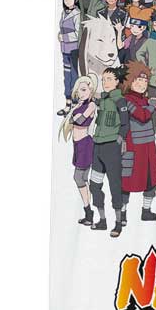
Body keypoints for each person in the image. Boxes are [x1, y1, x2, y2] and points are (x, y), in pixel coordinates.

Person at [120, 61, 156, 228]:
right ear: (130, 80)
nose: (142, 84)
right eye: (138, 80)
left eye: (145, 81)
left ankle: (146, 210)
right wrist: (152, 106)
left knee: (152, 180)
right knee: (126, 181)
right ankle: (122, 214)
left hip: (149, 145)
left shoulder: (146, 99)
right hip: (133, 147)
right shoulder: (126, 100)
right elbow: (142, 116)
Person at [89, 67, 129, 235]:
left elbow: (125, 123)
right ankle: (102, 220)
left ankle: (118, 223)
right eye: (104, 79)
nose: (105, 82)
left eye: (109, 79)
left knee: (115, 185)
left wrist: (119, 140)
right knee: (94, 185)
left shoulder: (120, 100)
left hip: (112, 147)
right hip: (97, 147)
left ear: (117, 82)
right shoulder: (102, 99)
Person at [60, 74, 98, 227]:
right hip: (77, 144)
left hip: (85, 144)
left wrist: (74, 118)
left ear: (91, 90)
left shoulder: (91, 105)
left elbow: (80, 120)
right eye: (79, 90)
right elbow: (73, 120)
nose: (81, 93)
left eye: (84, 90)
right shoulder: (79, 105)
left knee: (79, 178)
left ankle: (89, 212)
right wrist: (74, 118)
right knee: (81, 179)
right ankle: (88, 213)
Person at [57, 0, 81, 117]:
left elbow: (78, 34)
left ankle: (76, 105)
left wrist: (64, 37)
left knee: (74, 76)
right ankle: (68, 104)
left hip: (74, 50)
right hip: (65, 50)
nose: (67, 0)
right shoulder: (63, 12)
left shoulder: (77, 14)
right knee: (67, 77)